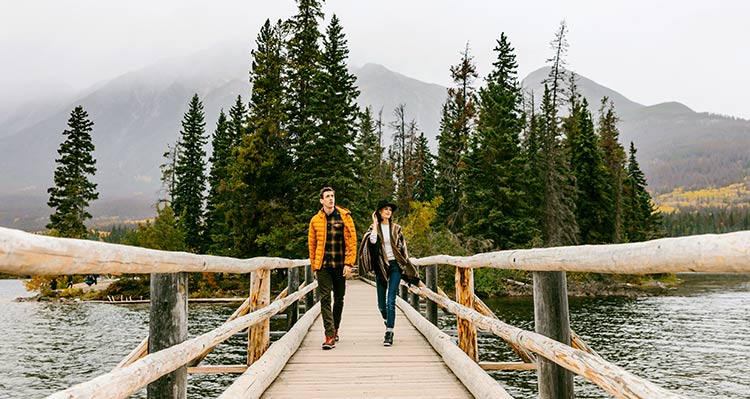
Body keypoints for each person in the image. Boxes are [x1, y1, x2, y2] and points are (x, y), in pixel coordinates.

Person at [358, 200, 420, 346]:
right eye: (385, 209)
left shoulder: (396, 229)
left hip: (395, 266)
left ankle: (389, 332)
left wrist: (403, 264)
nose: (388, 212)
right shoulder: (374, 228)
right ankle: (388, 321)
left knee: (390, 300)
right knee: (381, 305)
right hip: (380, 267)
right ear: (379, 212)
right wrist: (374, 224)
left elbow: (402, 247)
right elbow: (372, 242)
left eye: (390, 210)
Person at [308, 187, 357, 350]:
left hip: (340, 265)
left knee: (339, 298)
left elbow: (352, 243)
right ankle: (329, 335)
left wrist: (349, 264)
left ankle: (335, 328)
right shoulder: (315, 220)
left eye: (332, 196)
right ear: (321, 201)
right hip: (323, 266)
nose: (331, 199)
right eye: (327, 196)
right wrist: (314, 266)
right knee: (325, 299)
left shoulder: (344, 217)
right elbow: (312, 245)